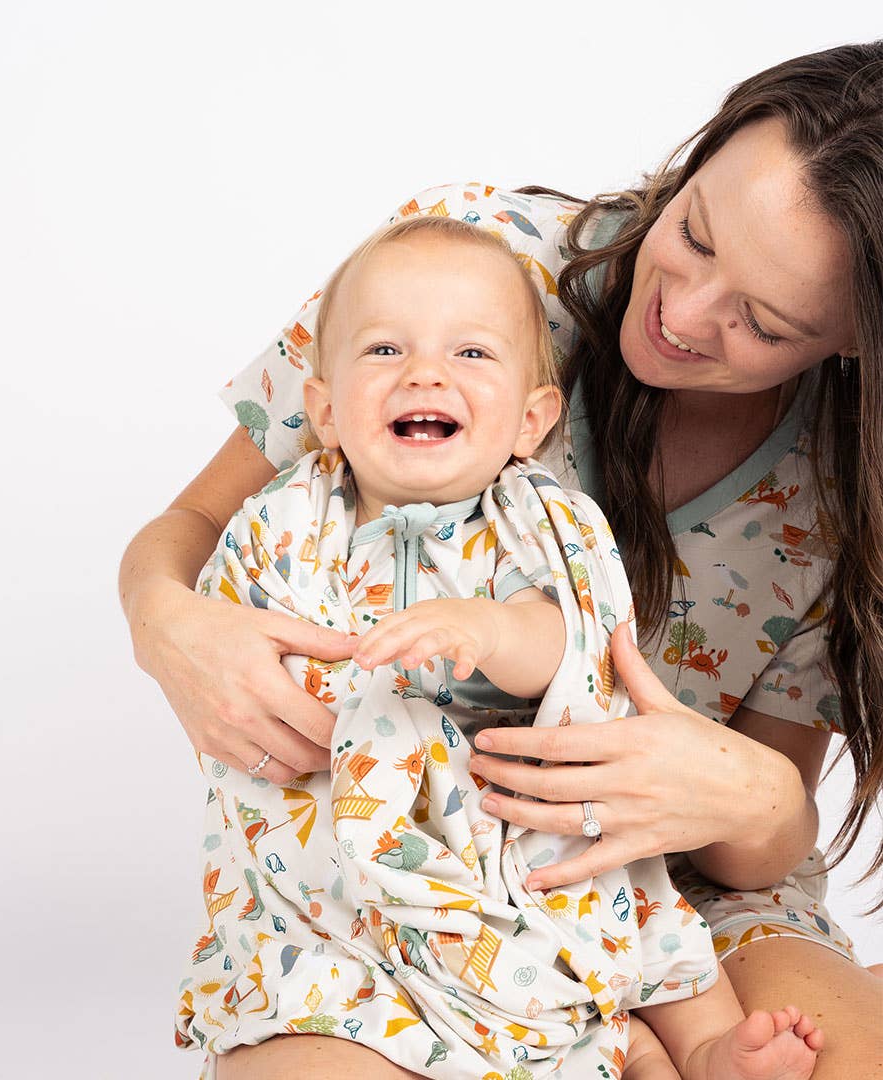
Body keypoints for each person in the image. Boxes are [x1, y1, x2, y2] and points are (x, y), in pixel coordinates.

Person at [120, 42, 883, 1079]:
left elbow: (749, 849)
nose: (687, 313)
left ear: (853, 343)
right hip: (402, 873)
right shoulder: (468, 281)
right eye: (695, 233)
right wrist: (170, 625)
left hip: (657, 891)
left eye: (764, 320)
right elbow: (192, 526)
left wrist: (756, 800)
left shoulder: (844, 478)